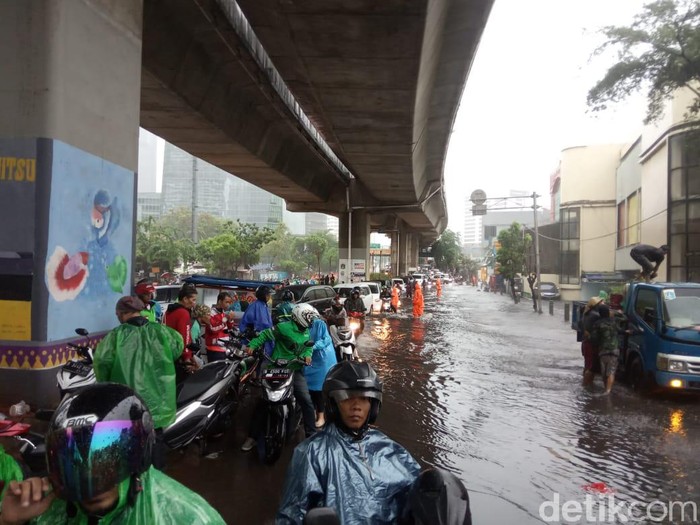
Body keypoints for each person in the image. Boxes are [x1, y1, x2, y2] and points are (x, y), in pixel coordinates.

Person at [0, 383, 225, 525]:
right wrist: (10, 522)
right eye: (74, 459)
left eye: (106, 457)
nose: (90, 478)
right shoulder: (44, 512)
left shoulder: (188, 518)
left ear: (137, 454)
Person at [276, 361, 421, 524]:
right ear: (333, 404)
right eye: (347, 398)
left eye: (364, 399)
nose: (356, 406)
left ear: (373, 406)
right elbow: (291, 516)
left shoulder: (390, 449)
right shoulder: (312, 453)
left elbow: (419, 496)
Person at [93, 296, 184, 469]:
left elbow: (102, 364)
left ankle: (132, 482)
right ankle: (156, 480)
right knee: (155, 440)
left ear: (120, 313)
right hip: (158, 403)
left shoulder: (114, 337)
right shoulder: (162, 332)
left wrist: (106, 389)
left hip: (126, 403)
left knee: (128, 444)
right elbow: (177, 348)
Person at [241, 303, 320, 451]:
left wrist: (306, 356)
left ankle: (311, 436)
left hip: (295, 370)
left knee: (306, 402)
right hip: (275, 368)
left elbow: (308, 347)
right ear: (299, 317)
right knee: (263, 402)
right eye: (308, 318)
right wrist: (252, 345)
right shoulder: (283, 327)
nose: (310, 321)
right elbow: (265, 334)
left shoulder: (306, 331)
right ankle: (252, 437)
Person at [305, 318, 338, 429]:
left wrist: (312, 346)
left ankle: (321, 417)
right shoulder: (299, 326)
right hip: (308, 360)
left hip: (322, 360)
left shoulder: (319, 324)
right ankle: (313, 413)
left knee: (318, 391)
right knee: (309, 391)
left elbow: (326, 339)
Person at [589, 305, 621, 394]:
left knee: (604, 372)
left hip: (603, 350)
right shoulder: (614, 322)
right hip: (615, 349)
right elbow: (620, 330)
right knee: (611, 371)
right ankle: (608, 390)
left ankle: (605, 388)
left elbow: (594, 338)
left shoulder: (598, 323)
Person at [239, 285, 274, 356]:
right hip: (253, 341)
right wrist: (251, 333)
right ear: (263, 295)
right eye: (268, 295)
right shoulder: (254, 306)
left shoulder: (265, 306)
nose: (269, 297)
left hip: (264, 341)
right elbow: (245, 324)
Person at [164, 283, 198, 353]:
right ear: (185, 299)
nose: (195, 303)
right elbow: (185, 339)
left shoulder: (169, 310)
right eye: (193, 300)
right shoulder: (183, 313)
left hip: (168, 350)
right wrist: (187, 357)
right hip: (179, 354)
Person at [578, 296, 604, 386]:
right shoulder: (595, 315)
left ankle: (585, 383)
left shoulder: (586, 314)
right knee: (590, 366)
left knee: (587, 364)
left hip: (585, 342)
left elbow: (580, 325)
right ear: (596, 305)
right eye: (600, 303)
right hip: (590, 343)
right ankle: (586, 385)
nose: (602, 304)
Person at [204, 292, 235, 363]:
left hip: (223, 348)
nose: (228, 304)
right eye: (226, 302)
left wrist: (230, 319)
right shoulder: (211, 313)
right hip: (214, 349)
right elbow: (213, 329)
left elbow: (229, 328)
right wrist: (225, 319)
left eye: (229, 302)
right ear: (220, 301)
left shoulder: (223, 313)